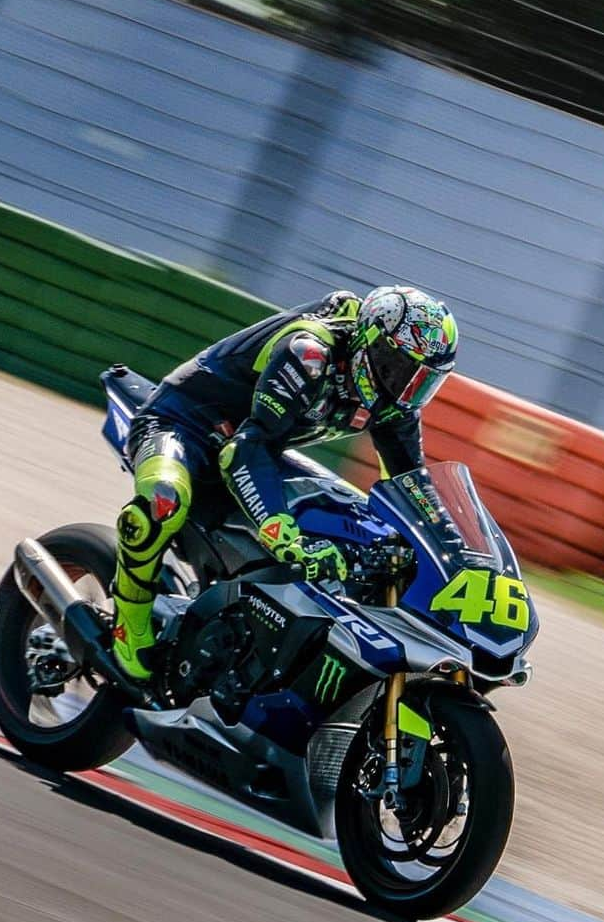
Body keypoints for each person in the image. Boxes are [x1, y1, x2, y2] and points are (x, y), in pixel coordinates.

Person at [112, 285, 459, 682]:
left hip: (260, 444)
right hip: (183, 424)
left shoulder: (395, 404)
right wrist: (285, 538)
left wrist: (455, 558)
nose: (404, 389)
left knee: (355, 524)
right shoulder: (310, 353)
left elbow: (411, 487)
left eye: (420, 383)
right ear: (370, 342)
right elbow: (244, 451)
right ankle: (129, 622)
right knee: (162, 502)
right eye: (398, 369)